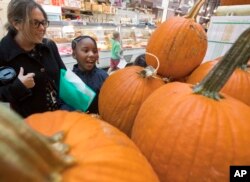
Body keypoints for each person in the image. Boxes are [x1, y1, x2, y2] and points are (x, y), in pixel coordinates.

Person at [0, 0, 70, 118]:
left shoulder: (49, 46)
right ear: (16, 24)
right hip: (28, 128)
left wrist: (67, 108)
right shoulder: (3, 53)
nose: (42, 28)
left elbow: (64, 79)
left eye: (43, 22)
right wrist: (18, 87)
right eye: (35, 23)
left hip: (59, 118)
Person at [71, 35, 108, 114]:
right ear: (74, 54)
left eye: (94, 51)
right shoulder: (70, 79)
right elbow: (63, 104)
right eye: (86, 50)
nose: (91, 54)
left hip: (100, 122)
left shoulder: (103, 76)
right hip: (77, 123)